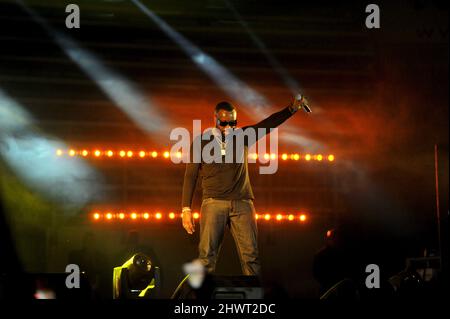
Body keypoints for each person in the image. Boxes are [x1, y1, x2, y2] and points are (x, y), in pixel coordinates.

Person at [181, 96, 308, 276]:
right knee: (206, 258)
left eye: (233, 122)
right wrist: (185, 209)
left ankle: (253, 300)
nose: (229, 127)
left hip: (242, 203)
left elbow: (267, 125)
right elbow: (190, 175)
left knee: (251, 256)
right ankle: (204, 301)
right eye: (224, 123)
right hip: (213, 202)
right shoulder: (201, 142)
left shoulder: (242, 137)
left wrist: (291, 109)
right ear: (216, 119)